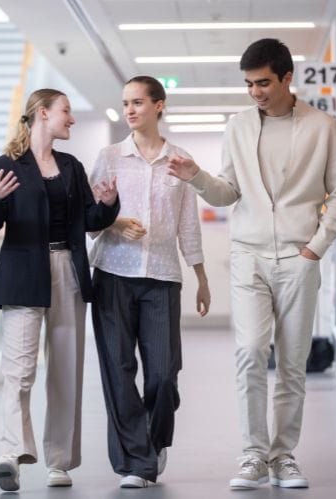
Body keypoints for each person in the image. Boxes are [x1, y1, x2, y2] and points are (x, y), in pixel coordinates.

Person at [168, 39, 336, 490]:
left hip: (298, 257)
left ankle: (283, 456)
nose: (255, 92)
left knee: (291, 363)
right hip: (249, 255)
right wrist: (197, 178)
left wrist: (314, 248)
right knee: (250, 352)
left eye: (263, 82)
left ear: (287, 78)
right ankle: (253, 453)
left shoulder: (322, 126)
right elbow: (229, 191)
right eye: (249, 84)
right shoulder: (238, 127)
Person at [0, 88, 120, 491]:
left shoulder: (72, 167)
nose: (71, 119)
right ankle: (10, 454)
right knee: (18, 370)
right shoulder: (5, 165)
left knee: (65, 371)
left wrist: (108, 205)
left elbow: (89, 221)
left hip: (68, 273)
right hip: (24, 274)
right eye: (66, 112)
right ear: (43, 114)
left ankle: (60, 461)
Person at [88, 76, 210, 489]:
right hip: (112, 274)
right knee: (119, 371)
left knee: (162, 373)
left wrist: (201, 275)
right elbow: (90, 220)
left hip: (161, 277)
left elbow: (187, 223)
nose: (130, 111)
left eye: (138, 102)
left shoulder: (180, 159)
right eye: (125, 103)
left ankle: (154, 442)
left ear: (159, 105)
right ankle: (136, 463)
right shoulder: (109, 157)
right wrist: (115, 221)